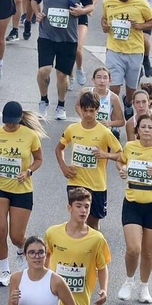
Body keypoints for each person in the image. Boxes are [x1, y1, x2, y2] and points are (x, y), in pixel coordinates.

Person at [0, 100, 45, 286]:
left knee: (16, 236)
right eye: (7, 121)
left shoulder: (30, 135)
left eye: (13, 121)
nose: (10, 125)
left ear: (19, 119)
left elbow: (39, 159)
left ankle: (21, 250)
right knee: (0, 231)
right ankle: (5, 271)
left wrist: (28, 171)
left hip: (22, 190)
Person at [116, 114, 152, 303]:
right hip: (132, 202)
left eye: (150, 127)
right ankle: (128, 281)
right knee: (133, 248)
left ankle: (144, 287)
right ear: (137, 130)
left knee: (148, 252)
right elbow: (120, 161)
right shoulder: (130, 147)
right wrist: (123, 169)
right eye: (143, 127)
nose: (147, 130)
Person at [35, 0, 95, 119]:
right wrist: (37, 13)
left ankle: (61, 105)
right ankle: (43, 100)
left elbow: (90, 5)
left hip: (68, 38)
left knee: (62, 75)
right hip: (46, 34)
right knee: (44, 70)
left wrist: (81, 11)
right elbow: (34, 0)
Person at [55, 91, 123, 230]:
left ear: (97, 110)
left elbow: (121, 154)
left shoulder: (104, 132)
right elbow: (59, 148)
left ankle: (93, 250)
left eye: (92, 111)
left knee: (92, 225)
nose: (88, 115)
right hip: (76, 182)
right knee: (77, 222)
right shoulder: (72, 129)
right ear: (80, 109)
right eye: (85, 110)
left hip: (97, 185)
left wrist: (106, 155)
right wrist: (63, 166)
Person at [100, 0, 152, 104]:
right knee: (114, 87)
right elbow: (104, 19)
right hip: (114, 49)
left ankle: (127, 103)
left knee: (131, 89)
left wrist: (139, 25)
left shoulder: (141, 3)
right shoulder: (108, 2)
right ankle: (113, 114)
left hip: (135, 51)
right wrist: (104, 25)